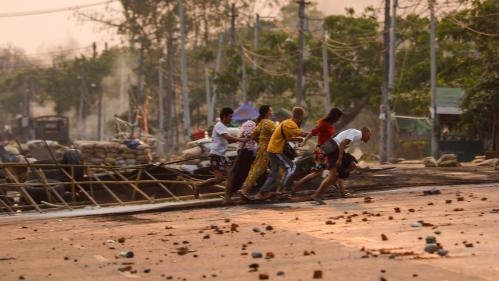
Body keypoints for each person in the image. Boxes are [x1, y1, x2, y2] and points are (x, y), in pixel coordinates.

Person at [255, 107, 308, 200]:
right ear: (301, 117)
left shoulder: (287, 122)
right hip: (276, 150)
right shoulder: (290, 123)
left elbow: (286, 137)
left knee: (274, 173)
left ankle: (262, 193)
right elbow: (301, 133)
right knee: (291, 167)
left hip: (272, 149)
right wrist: (316, 133)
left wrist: (296, 139)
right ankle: (282, 189)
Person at [194, 108, 247, 198]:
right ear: (224, 117)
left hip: (221, 156)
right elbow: (228, 138)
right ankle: (199, 185)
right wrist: (241, 139)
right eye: (230, 117)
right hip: (216, 155)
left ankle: (228, 196)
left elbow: (228, 141)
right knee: (220, 179)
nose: (231, 119)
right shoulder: (219, 126)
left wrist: (241, 138)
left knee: (230, 176)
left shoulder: (223, 127)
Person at [310, 127, 372, 204]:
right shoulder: (358, 134)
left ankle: (338, 183)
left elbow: (342, 143)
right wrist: (339, 159)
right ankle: (316, 195)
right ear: (365, 132)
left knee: (352, 164)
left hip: (333, 146)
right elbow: (342, 143)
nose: (369, 138)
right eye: (369, 135)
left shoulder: (356, 133)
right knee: (331, 176)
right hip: (334, 148)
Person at [291, 108, 343, 194]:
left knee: (329, 171)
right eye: (338, 117)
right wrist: (304, 141)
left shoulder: (329, 124)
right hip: (321, 151)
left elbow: (326, 137)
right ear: (334, 116)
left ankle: (337, 188)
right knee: (318, 172)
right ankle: (298, 184)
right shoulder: (323, 124)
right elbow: (313, 133)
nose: (339, 119)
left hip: (328, 150)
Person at [238, 105, 275, 200]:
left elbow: (253, 134)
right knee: (258, 169)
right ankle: (245, 190)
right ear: (267, 113)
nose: (272, 112)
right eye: (271, 110)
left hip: (262, 149)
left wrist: (260, 141)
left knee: (259, 169)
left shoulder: (261, 122)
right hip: (267, 150)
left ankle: (264, 191)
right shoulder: (268, 123)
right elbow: (277, 134)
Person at [224, 118, 258, 203]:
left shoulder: (249, 123)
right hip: (246, 151)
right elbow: (248, 136)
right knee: (242, 173)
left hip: (247, 151)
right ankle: (231, 194)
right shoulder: (251, 124)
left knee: (247, 172)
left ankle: (241, 191)